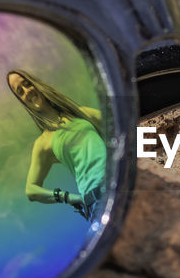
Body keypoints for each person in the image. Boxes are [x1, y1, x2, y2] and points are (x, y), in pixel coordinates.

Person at [6, 69, 108, 223]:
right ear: (22, 101)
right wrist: (66, 197)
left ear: (36, 84)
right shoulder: (43, 143)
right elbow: (31, 190)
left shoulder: (81, 114)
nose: (27, 91)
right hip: (98, 200)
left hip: (121, 179)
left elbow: (123, 126)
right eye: (20, 91)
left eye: (27, 84)